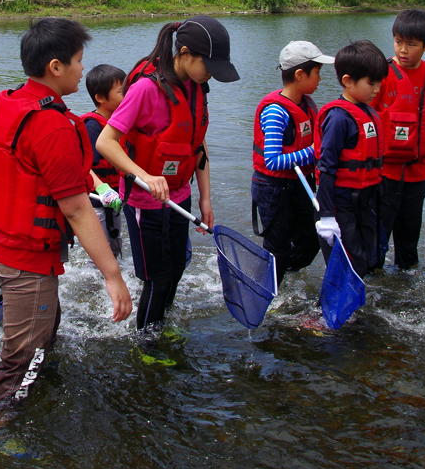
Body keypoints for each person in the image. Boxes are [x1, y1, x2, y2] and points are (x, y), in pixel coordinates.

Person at [0, 18, 131, 425]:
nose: (82, 68)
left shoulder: (6, 102)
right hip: (27, 257)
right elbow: (77, 209)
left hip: (0, 243)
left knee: (45, 329)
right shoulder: (53, 125)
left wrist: (9, 208)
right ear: (56, 67)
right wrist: (112, 276)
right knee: (20, 357)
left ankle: (38, 396)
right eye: (78, 61)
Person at [95, 16, 240, 332]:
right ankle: (146, 345)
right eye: (209, 66)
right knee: (157, 280)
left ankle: (163, 327)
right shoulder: (146, 89)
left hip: (180, 196)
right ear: (185, 53)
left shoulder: (196, 87)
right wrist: (144, 176)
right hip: (146, 204)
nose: (211, 75)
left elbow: (197, 144)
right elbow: (105, 142)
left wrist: (206, 199)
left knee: (175, 270)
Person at [251, 41, 333, 286]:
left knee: (310, 243)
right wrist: (315, 152)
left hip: (300, 185)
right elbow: (273, 160)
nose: (320, 79)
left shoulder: (306, 104)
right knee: (278, 250)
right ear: (300, 75)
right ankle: (270, 290)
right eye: (317, 73)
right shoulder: (276, 111)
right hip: (273, 189)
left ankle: (282, 278)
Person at [371, 10, 425, 271]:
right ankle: (373, 283)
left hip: (418, 174)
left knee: (409, 239)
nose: (403, 50)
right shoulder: (383, 73)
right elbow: (364, 116)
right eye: (398, 42)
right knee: (377, 238)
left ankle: (405, 287)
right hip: (384, 174)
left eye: (411, 44)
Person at [313, 40, 389, 279]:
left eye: (379, 82)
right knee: (347, 265)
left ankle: (356, 310)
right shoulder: (338, 118)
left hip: (364, 201)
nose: (377, 89)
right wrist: (326, 215)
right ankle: (324, 313)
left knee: (368, 258)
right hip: (340, 205)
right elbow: (326, 168)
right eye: (371, 83)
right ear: (348, 81)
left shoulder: (367, 112)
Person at [81, 63, 126, 257]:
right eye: (122, 91)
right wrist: (103, 190)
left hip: (115, 198)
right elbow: (83, 166)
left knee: (115, 242)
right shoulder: (93, 127)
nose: (128, 95)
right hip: (96, 200)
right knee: (100, 250)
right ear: (100, 98)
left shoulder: (120, 124)